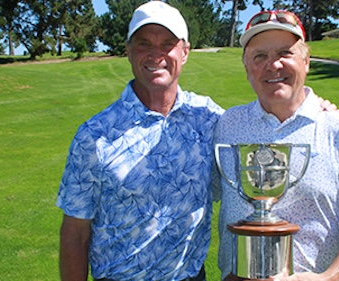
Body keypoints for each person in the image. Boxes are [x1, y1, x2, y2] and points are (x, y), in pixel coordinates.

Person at [214, 10, 339, 281]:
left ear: (306, 61)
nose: (273, 65)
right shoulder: (226, 124)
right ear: (246, 67)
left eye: (285, 53)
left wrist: (330, 277)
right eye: (260, 56)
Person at [56, 2, 221, 280]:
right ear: (129, 52)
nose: (156, 54)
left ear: (185, 52)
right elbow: (75, 233)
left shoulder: (208, 118)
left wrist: (314, 104)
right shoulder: (94, 135)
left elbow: (257, 130)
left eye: (168, 43)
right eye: (144, 44)